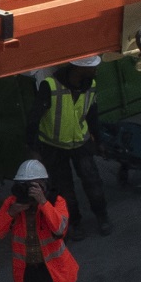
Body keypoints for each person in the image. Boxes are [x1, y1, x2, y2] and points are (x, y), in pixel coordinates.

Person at [32, 60, 109, 235]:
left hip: (80, 143)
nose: (96, 69)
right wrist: (34, 148)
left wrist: (99, 140)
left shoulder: (91, 85)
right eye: (92, 66)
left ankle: (102, 216)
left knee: (93, 182)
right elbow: (34, 119)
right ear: (80, 68)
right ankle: (74, 222)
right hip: (54, 146)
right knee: (63, 189)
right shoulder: (49, 86)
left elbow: (92, 114)